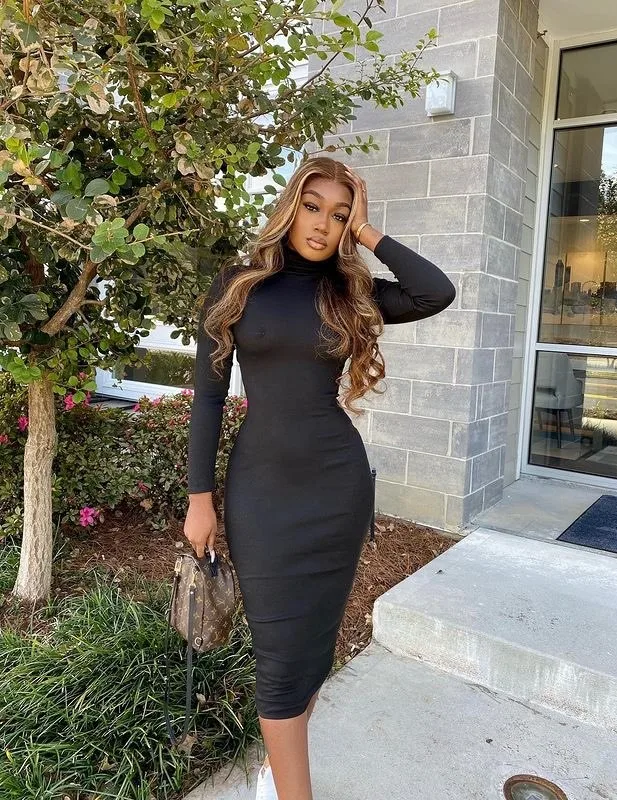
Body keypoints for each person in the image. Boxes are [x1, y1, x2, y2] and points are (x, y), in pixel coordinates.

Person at [183, 156, 456, 800]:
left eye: (339, 214)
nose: (322, 224)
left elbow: (435, 292)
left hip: (336, 491)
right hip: (262, 495)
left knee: (311, 651)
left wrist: (369, 234)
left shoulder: (349, 295)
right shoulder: (238, 285)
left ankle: (277, 775)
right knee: (280, 661)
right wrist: (200, 499)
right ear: (290, 207)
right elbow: (209, 399)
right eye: (313, 207)